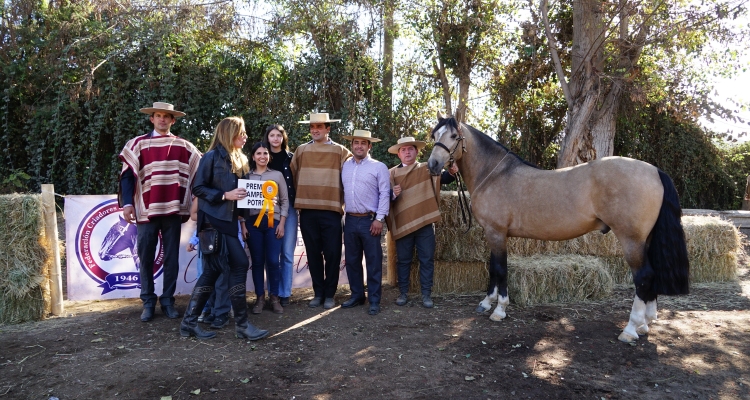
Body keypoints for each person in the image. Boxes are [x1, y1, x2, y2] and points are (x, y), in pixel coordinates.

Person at [180, 116, 268, 341]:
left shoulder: (239, 159)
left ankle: (190, 323)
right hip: (213, 222)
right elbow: (198, 188)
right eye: (242, 132)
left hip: (228, 222)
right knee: (239, 263)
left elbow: (243, 194)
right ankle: (242, 325)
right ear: (229, 133)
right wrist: (224, 195)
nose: (245, 136)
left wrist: (259, 200)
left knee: (211, 272)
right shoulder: (210, 157)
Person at [118, 101, 201, 322]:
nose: (162, 119)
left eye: (166, 116)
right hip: (146, 210)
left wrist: (197, 199)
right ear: (151, 119)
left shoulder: (184, 146)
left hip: (173, 209)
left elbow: (199, 172)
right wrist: (127, 203)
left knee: (171, 258)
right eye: (158, 115)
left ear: (173, 120)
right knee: (145, 256)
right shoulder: (137, 144)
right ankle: (147, 301)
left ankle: (167, 301)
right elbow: (127, 176)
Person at [387, 136, 458, 308]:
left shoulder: (427, 168)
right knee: (403, 261)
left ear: (417, 151)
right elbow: (382, 198)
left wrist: (452, 173)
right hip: (404, 224)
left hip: (425, 223)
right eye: (403, 150)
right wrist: (393, 194)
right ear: (398, 154)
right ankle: (403, 293)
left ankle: (426, 294)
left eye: (410, 149)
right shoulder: (391, 174)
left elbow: (443, 179)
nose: (407, 152)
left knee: (426, 260)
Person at [290, 113, 352, 309]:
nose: (315, 130)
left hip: (332, 211)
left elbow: (353, 176)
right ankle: (318, 293)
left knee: (333, 254)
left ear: (328, 129)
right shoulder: (301, 151)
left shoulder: (341, 152)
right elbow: (292, 176)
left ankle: (329, 295)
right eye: (312, 127)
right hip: (308, 211)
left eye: (319, 126)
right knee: (313, 254)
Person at [340, 130, 390, 316]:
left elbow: (385, 194)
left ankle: (374, 300)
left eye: (363, 143)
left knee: (373, 261)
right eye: (356, 143)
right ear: (352, 145)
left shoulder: (379, 167)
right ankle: (357, 295)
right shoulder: (345, 166)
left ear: (370, 146)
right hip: (350, 219)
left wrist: (379, 219)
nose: (359, 146)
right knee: (352, 261)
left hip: (370, 220)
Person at [245, 141, 289, 315]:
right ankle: (259, 298)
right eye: (259, 154)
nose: (262, 157)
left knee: (273, 260)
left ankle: (275, 298)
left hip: (273, 223)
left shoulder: (277, 175)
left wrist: (283, 224)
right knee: (257, 262)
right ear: (253, 156)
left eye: (265, 153)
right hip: (252, 224)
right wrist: (242, 225)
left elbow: (285, 201)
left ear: (269, 156)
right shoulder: (246, 176)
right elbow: (241, 205)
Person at [185, 197, 239, 328]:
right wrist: (194, 240)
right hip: (207, 242)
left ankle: (222, 313)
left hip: (225, 241)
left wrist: (238, 246)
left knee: (222, 281)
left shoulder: (230, 197)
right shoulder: (204, 197)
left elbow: (236, 221)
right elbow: (198, 221)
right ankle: (214, 311)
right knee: (211, 279)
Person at [263, 125, 297, 307]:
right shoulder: (261, 157)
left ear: (283, 138)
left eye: (279, 135)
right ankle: (272, 293)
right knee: (271, 254)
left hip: (289, 209)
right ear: (267, 138)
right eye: (272, 135)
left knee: (287, 253)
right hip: (266, 210)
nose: (275, 138)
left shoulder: (291, 158)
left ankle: (285, 293)